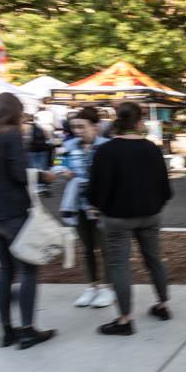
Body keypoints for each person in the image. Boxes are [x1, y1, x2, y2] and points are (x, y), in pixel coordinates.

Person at [0, 92, 58, 349]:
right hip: (13, 213)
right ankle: (28, 330)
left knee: (4, 272)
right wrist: (43, 176)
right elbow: (19, 174)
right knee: (29, 270)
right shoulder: (10, 135)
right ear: (13, 112)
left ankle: (6, 331)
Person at [89, 102, 172, 336]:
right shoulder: (152, 149)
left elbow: (96, 190)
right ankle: (163, 305)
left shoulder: (105, 151)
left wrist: (100, 207)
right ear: (139, 122)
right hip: (150, 215)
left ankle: (125, 319)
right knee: (154, 259)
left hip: (117, 217)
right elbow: (165, 188)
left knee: (119, 266)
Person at [55, 106, 115, 310]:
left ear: (95, 126)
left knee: (106, 248)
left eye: (82, 126)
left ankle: (108, 287)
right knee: (86, 248)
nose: (78, 131)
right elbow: (59, 165)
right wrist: (63, 171)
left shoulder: (107, 147)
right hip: (79, 204)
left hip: (101, 206)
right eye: (74, 127)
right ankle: (91, 286)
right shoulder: (70, 147)